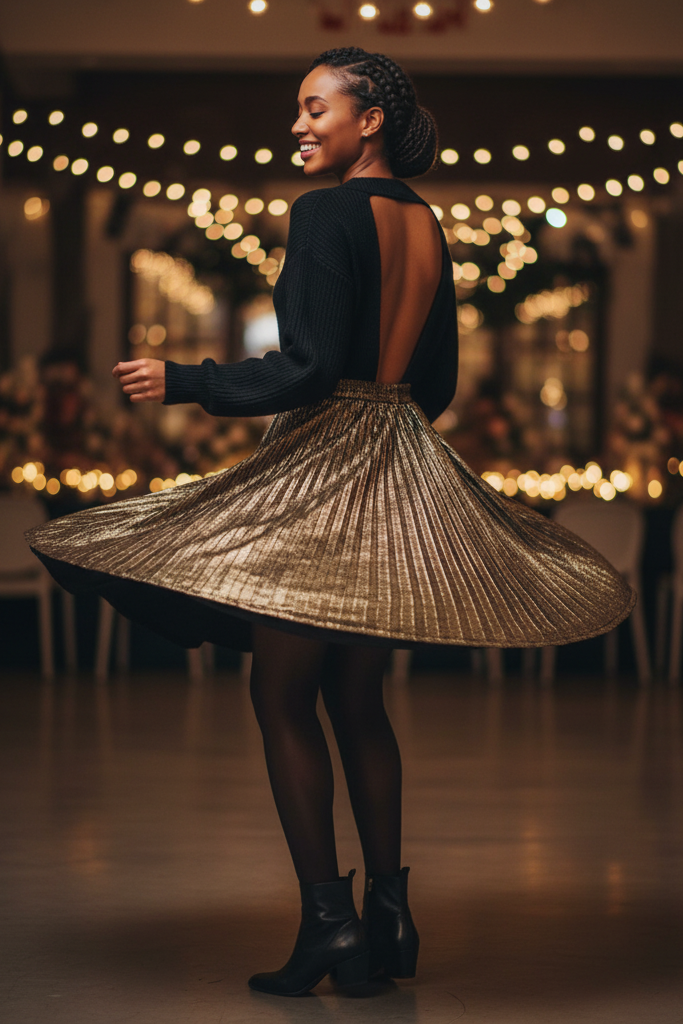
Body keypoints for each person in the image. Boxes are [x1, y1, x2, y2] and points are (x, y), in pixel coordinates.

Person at [26, 47, 635, 997]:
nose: (299, 126)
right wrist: (380, 429)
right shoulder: (428, 226)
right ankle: (392, 924)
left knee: (281, 700)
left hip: (322, 476)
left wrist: (185, 381)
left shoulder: (321, 213)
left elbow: (306, 366)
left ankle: (330, 928)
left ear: (370, 121)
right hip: (396, 467)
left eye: (316, 109)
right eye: (297, 110)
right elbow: (431, 385)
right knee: (359, 703)